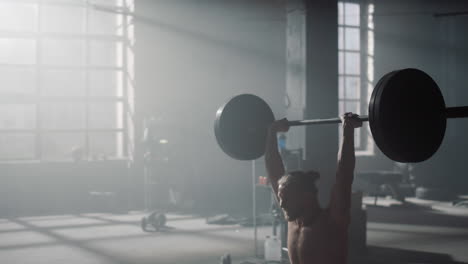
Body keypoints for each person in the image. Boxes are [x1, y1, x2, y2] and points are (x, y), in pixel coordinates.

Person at [265, 112, 362, 264]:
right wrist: (272, 133)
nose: (281, 204)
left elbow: (344, 175)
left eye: (287, 199)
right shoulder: (292, 215)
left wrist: (347, 131)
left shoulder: (333, 221)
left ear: (307, 196)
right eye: (281, 197)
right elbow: (273, 172)